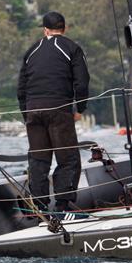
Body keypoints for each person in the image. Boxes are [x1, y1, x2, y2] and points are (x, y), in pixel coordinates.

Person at [17, 11, 90, 215]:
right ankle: (62, 207)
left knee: (39, 159)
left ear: (45, 30)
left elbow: (20, 89)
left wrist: (27, 115)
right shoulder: (72, 48)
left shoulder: (31, 51)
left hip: (33, 110)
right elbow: (82, 82)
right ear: (64, 29)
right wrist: (80, 108)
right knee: (68, 159)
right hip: (59, 110)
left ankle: (40, 208)